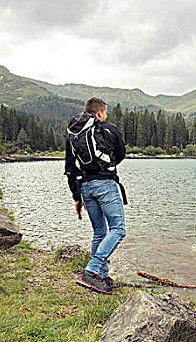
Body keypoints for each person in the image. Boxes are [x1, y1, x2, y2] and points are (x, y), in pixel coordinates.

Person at [64, 97, 127, 294]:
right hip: (105, 184)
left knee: (100, 231)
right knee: (118, 229)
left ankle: (102, 276)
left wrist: (77, 197)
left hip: (86, 187)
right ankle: (91, 271)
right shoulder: (109, 128)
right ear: (100, 113)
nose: (106, 116)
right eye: (105, 113)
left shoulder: (73, 133)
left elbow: (69, 167)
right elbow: (121, 154)